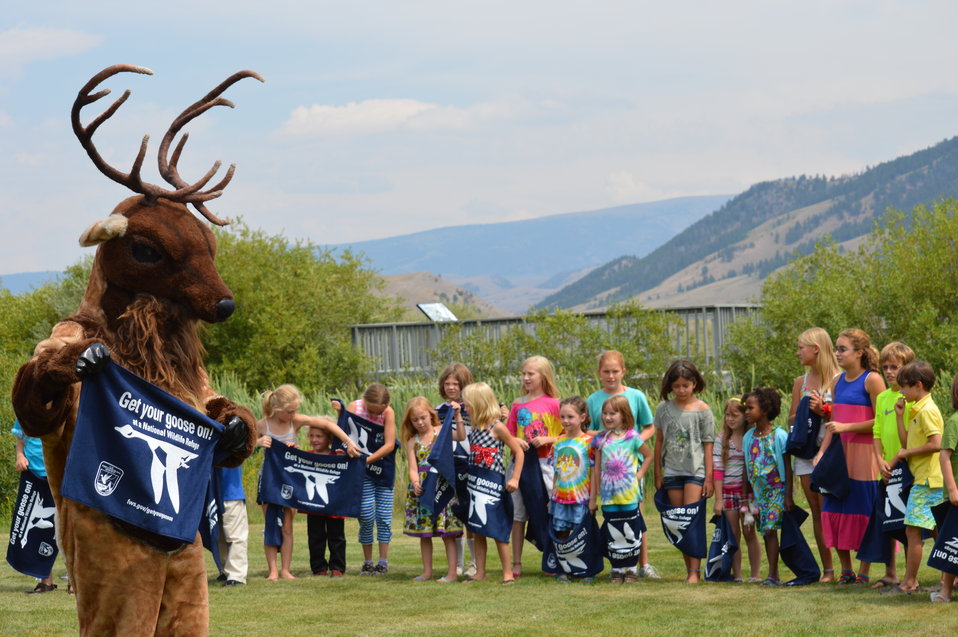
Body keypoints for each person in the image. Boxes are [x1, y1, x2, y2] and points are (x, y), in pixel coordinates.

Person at [256, 384, 358, 580]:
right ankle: (273, 571)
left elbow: (327, 425)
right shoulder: (262, 426)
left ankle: (285, 570)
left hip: (289, 481)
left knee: (287, 527)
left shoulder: (295, 422)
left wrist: (349, 443)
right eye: (290, 410)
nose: (294, 413)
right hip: (269, 480)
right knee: (271, 525)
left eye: (295, 410)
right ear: (277, 408)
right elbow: (245, 446)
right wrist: (258, 443)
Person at [814, 328, 884, 585]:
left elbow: (880, 421)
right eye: (836, 348)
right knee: (834, 509)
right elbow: (834, 422)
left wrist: (847, 428)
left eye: (842, 349)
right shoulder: (836, 381)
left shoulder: (872, 380)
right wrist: (821, 453)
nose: (837, 353)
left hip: (865, 457)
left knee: (865, 511)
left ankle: (864, 571)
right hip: (838, 457)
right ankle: (846, 570)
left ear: (860, 353)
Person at [585, 350, 658, 578]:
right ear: (599, 372)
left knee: (634, 516)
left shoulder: (636, 396)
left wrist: (630, 443)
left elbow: (649, 426)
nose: (611, 375)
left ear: (623, 371)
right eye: (606, 371)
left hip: (630, 468)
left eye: (615, 371)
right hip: (607, 469)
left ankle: (641, 564)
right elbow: (586, 430)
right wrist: (611, 438)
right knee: (614, 520)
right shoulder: (593, 399)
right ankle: (617, 566)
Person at [453, 382, 525, 584]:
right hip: (474, 482)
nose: (466, 408)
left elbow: (518, 451)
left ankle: (507, 573)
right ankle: (480, 572)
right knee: (477, 530)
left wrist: (515, 478)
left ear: (478, 404)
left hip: (493, 485)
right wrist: (458, 415)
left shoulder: (497, 427)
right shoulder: (475, 427)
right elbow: (460, 435)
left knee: (498, 530)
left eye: (468, 405)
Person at [884, 361, 944, 595]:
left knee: (912, 529)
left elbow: (936, 444)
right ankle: (951, 576)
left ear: (918, 385)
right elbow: (906, 443)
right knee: (939, 530)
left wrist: (907, 454)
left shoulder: (927, 410)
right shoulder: (916, 408)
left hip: (928, 480)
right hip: (925, 478)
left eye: (904, 387)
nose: (901, 392)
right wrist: (900, 417)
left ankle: (909, 582)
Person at [653, 359, 715, 583]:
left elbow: (708, 445)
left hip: (695, 472)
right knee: (677, 521)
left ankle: (694, 573)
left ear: (694, 384)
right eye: (676, 386)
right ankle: (688, 567)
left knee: (692, 520)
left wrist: (709, 478)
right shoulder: (663, 409)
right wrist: (658, 473)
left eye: (685, 386)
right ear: (670, 386)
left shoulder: (703, 410)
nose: (681, 390)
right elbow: (658, 442)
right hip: (671, 471)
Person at [787, 327, 839, 582]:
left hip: (833, 453)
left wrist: (825, 410)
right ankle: (828, 569)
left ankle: (849, 567)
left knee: (835, 509)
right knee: (817, 512)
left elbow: (845, 416)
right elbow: (792, 418)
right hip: (806, 454)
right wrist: (810, 410)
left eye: (800, 347)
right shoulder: (801, 382)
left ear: (815, 349)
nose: (797, 352)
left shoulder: (840, 379)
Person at [505, 355, 561, 579]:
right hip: (519, 465)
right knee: (518, 514)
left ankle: (551, 557)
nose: (526, 377)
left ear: (543, 376)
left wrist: (548, 440)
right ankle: (516, 562)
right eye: (524, 373)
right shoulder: (517, 404)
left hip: (546, 465)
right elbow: (507, 434)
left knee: (548, 510)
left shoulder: (554, 404)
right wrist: (514, 441)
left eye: (531, 374)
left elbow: (567, 434)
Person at [589, 395, 653, 584]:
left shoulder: (632, 437)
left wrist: (639, 475)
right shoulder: (601, 439)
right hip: (609, 495)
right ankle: (616, 569)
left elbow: (648, 456)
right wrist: (598, 488)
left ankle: (631, 569)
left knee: (631, 531)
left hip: (629, 494)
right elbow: (597, 465)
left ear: (624, 415)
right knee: (612, 530)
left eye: (613, 413)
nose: (608, 417)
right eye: (605, 414)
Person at [869, 341, 915, 589]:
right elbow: (876, 431)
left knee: (908, 522)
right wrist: (879, 460)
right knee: (887, 521)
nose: (888, 372)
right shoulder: (883, 397)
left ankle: (911, 573)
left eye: (894, 367)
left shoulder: (910, 397)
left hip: (907, 465)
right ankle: (890, 573)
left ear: (907, 368)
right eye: (885, 367)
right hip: (886, 466)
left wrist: (896, 459)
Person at [402, 396, 462, 583]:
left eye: (423, 418)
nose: (420, 422)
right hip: (423, 490)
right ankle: (427, 571)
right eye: (415, 420)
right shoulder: (412, 441)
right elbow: (413, 467)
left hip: (442, 487)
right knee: (424, 534)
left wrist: (458, 415)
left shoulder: (442, 431)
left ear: (431, 415)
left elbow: (460, 436)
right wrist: (415, 481)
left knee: (447, 534)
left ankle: (452, 573)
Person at [340, 383, 397, 576]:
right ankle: (367, 561)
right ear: (365, 401)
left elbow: (389, 444)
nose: (374, 416)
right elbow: (344, 434)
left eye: (378, 412)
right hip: (361, 473)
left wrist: (367, 460)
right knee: (365, 515)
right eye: (372, 411)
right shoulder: (353, 408)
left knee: (383, 516)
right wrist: (348, 448)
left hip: (383, 470)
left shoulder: (388, 412)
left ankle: (382, 561)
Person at [742, 388, 792, 586]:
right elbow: (747, 466)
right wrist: (747, 496)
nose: (746, 412)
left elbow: (788, 467)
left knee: (771, 530)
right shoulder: (748, 437)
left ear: (764, 410)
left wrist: (788, 495)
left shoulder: (779, 435)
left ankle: (772, 574)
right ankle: (774, 574)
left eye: (750, 408)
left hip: (777, 492)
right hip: (758, 494)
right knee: (765, 532)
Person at [713, 396, 761, 583]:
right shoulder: (721, 439)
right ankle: (738, 575)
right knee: (733, 534)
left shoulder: (751, 437)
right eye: (727, 415)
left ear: (745, 416)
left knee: (750, 533)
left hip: (748, 494)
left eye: (735, 415)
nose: (730, 419)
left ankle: (755, 574)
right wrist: (718, 499)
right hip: (728, 492)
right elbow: (717, 470)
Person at [11, 418, 61, 594]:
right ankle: (45, 581)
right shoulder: (28, 409)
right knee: (34, 529)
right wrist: (20, 456)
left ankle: (74, 583)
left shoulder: (64, 407)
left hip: (61, 474)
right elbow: (21, 438)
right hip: (33, 473)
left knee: (68, 531)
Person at [437, 362, 477, 578]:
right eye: (448, 383)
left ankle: (474, 563)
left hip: (470, 466)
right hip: (448, 468)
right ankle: (458, 564)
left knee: (470, 514)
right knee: (452, 516)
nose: (451, 387)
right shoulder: (439, 411)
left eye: (456, 384)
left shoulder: (473, 409)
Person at [550, 396, 594, 582]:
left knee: (581, 534)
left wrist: (593, 498)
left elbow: (595, 470)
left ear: (582, 418)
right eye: (563, 417)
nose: (566, 421)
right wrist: (551, 497)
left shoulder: (589, 442)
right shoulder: (558, 443)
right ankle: (563, 568)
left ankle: (585, 569)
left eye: (570, 417)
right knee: (561, 534)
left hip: (581, 498)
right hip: (560, 497)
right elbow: (556, 473)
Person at [304, 424, 347, 578]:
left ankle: (337, 567)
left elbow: (349, 470)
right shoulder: (306, 456)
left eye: (319, 436)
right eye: (311, 436)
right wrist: (290, 449)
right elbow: (292, 461)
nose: (314, 439)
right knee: (315, 537)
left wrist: (345, 457)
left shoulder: (337, 456)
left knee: (337, 536)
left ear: (329, 438)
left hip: (335, 505)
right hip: (314, 505)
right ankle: (319, 568)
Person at [933, 374, 958, 602]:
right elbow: (944, 457)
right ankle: (945, 592)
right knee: (953, 545)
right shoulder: (955, 421)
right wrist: (952, 490)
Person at [215, 464, 249, 587]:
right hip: (212, 493)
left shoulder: (238, 443)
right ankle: (225, 571)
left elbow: (249, 446)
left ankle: (237, 575)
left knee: (235, 536)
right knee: (219, 537)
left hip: (231, 492)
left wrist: (258, 443)